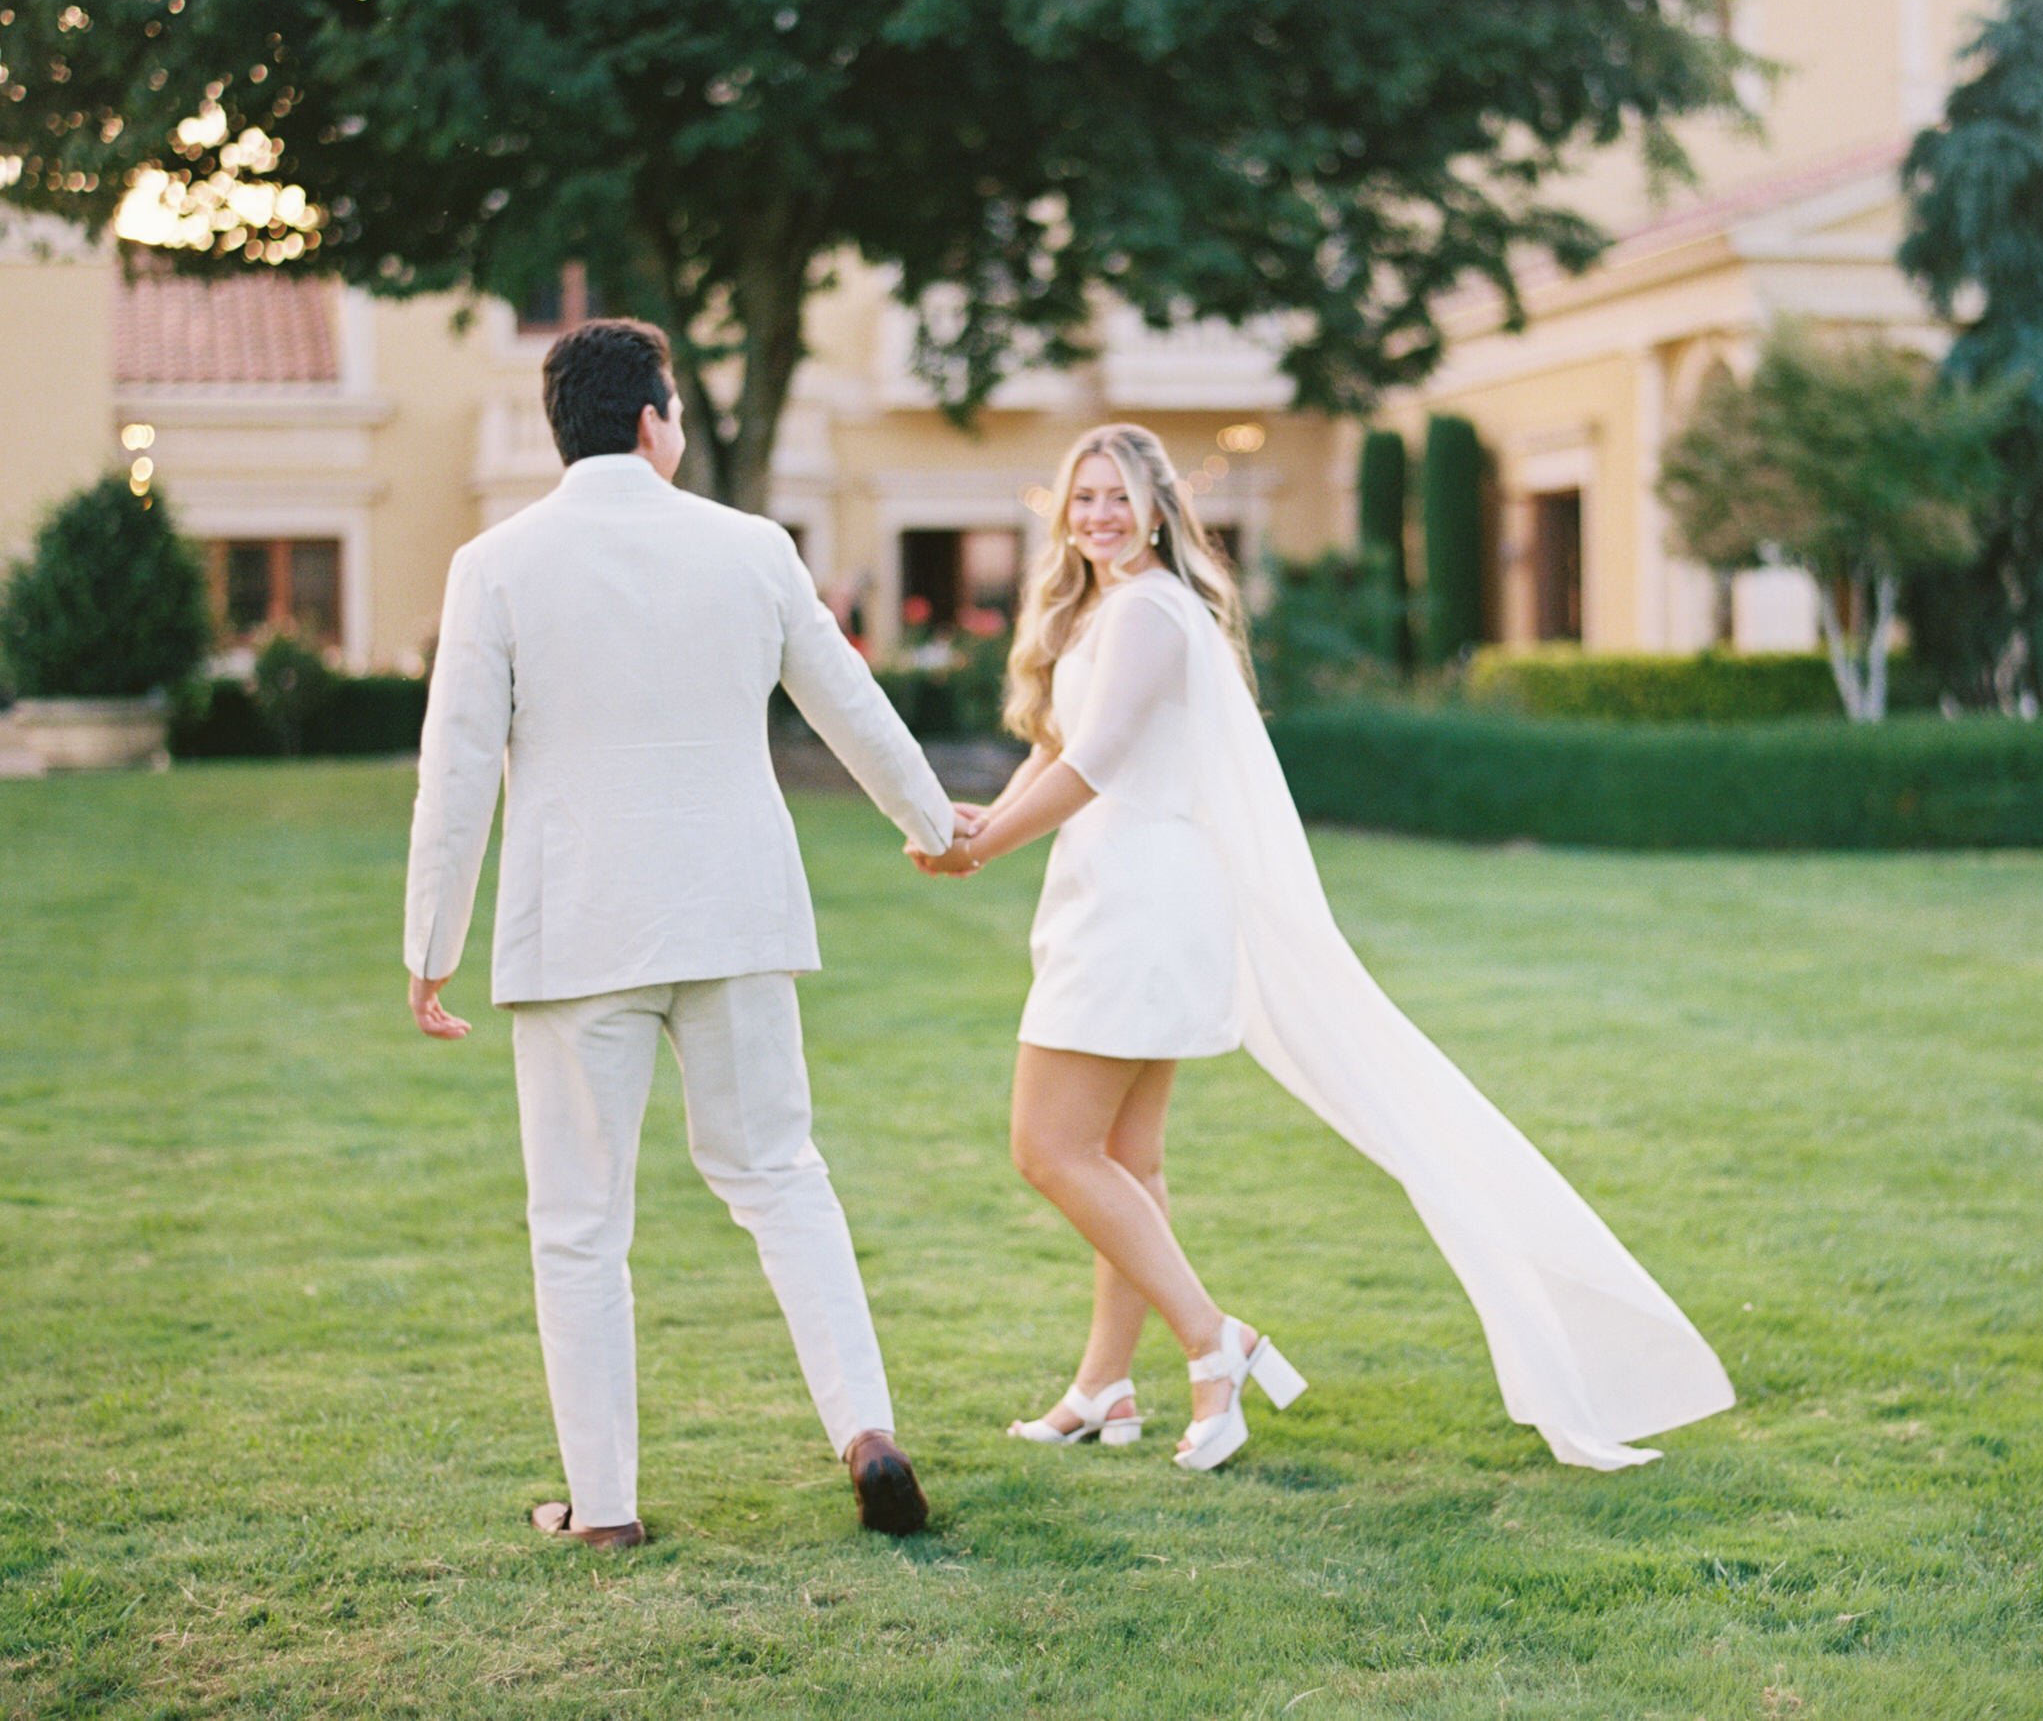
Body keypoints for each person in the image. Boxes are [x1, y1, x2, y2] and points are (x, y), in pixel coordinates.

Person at [910, 423, 1734, 1472]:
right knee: (1126, 1162)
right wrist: (982, 823)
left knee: (1051, 1148)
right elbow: (1055, 748)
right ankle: (1103, 1387)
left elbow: (1102, 763)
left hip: (1141, 908)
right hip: (1117, 897)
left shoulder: (1155, 613)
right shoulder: (1104, 611)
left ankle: (1216, 1345)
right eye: (1082, 499)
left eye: (1118, 498)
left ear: (1160, 507)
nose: (1098, 516)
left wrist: (982, 854)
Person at [402, 318, 977, 1545]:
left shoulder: (494, 562)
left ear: (567, 430)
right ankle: (868, 1434)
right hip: (734, 916)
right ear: (657, 420)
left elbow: (452, 769)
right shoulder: (752, 546)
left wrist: (430, 942)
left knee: (578, 1225)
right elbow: (849, 704)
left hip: (577, 934)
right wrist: (930, 820)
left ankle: (605, 1512)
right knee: (782, 1179)